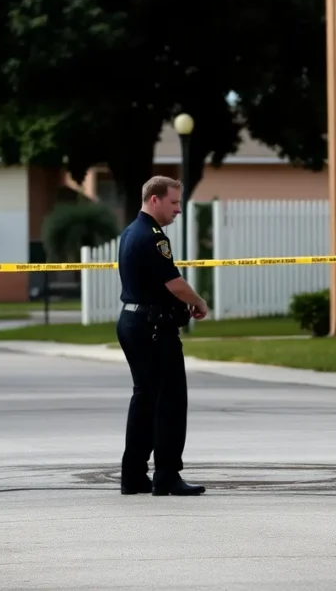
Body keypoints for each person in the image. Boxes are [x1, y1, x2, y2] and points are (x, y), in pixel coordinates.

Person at [116, 175, 209, 497]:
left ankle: (134, 475)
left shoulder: (130, 232)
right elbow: (174, 283)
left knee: (144, 398)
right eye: (173, 203)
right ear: (154, 200)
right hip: (153, 328)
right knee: (169, 401)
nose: (178, 210)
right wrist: (197, 301)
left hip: (132, 321)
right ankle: (167, 474)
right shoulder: (154, 237)